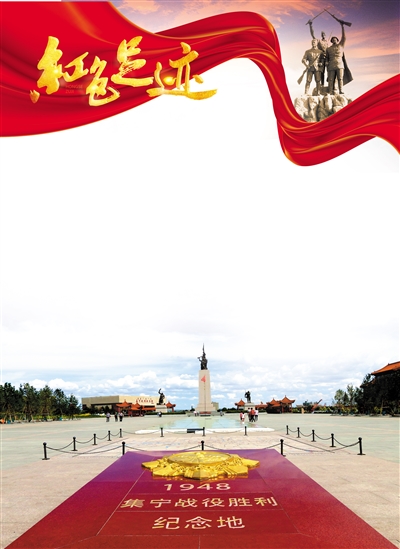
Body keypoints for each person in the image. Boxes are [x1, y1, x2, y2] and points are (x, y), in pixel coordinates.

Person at [326, 22, 347, 94]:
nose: (334, 40)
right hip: (331, 65)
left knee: (340, 78)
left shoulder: (341, 46)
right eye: (333, 39)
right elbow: (327, 57)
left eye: (335, 39)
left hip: (339, 64)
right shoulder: (328, 49)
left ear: (337, 40)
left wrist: (342, 26)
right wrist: (326, 62)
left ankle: (341, 90)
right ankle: (330, 91)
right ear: (331, 41)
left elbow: (344, 37)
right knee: (331, 79)